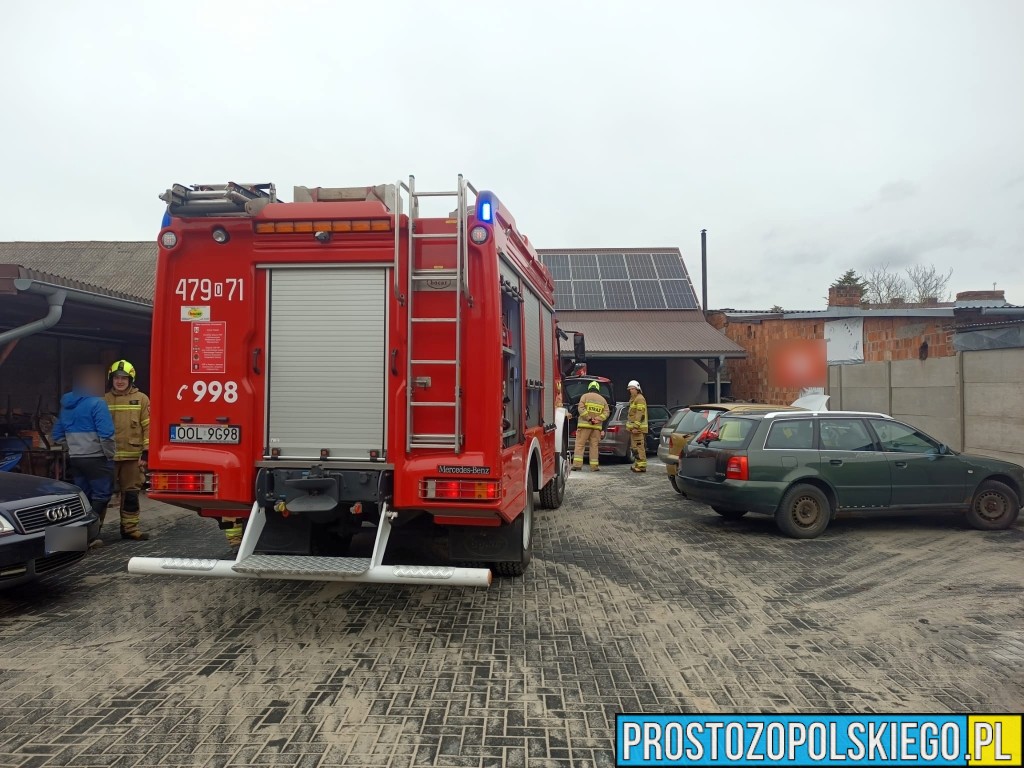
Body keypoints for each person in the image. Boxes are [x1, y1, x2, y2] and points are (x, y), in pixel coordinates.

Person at [51, 365, 115, 545]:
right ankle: (87, 537)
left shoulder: (67, 405)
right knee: (101, 496)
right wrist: (109, 455)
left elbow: (56, 435)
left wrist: (74, 447)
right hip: (96, 458)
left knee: (83, 497)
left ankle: (66, 541)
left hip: (76, 458)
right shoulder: (97, 403)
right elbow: (106, 434)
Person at [104, 360, 151, 541]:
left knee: (131, 494)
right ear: (111, 379)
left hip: (132, 457)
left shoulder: (142, 399)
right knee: (102, 495)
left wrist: (146, 452)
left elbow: (149, 427)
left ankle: (130, 529)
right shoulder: (103, 399)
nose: (120, 381)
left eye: (124, 378)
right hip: (108, 456)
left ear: (131, 379)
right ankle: (93, 533)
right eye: (116, 378)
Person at [572, 380, 609, 471]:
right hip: (596, 428)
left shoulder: (584, 396)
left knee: (580, 445)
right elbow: (606, 413)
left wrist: (589, 418)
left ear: (589, 388)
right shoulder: (603, 400)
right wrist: (598, 419)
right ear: (598, 389)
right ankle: (594, 466)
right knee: (594, 446)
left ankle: (577, 465)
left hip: (584, 426)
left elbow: (581, 409)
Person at [626, 379, 649, 473]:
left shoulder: (639, 399)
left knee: (639, 447)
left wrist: (635, 427)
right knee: (634, 448)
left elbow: (640, 414)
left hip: (638, 429)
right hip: (634, 429)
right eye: (630, 389)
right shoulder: (634, 399)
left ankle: (641, 466)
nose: (630, 391)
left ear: (637, 389)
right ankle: (638, 464)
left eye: (632, 389)